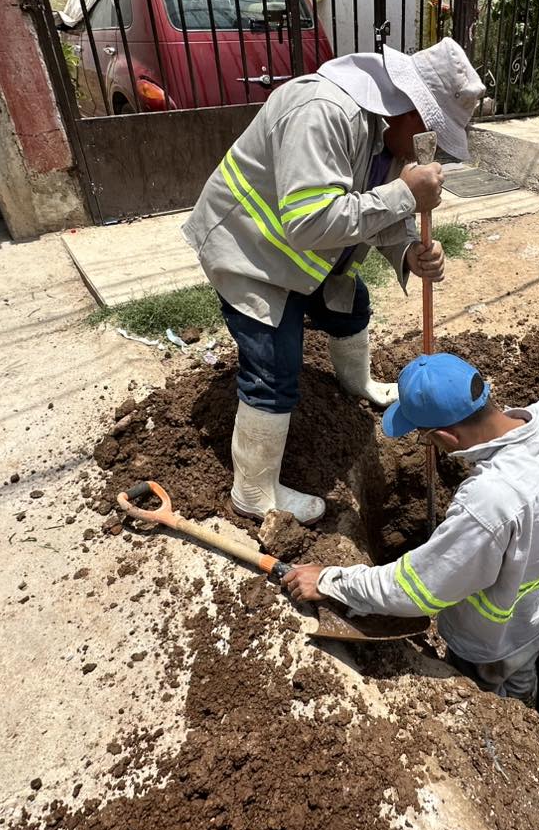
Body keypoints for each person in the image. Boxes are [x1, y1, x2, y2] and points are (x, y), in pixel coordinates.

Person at [183, 39, 485, 526]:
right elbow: (308, 222)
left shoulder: (383, 130)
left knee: (351, 305)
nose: (429, 151)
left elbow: (375, 209)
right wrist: (405, 195)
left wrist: (407, 249)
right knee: (273, 367)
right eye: (431, 133)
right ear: (407, 108)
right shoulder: (323, 112)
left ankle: (357, 381)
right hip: (249, 252)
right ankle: (253, 493)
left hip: (307, 259)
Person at [282, 352, 539, 706]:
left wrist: (328, 580)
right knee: (522, 669)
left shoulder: (490, 501)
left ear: (446, 435)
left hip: (491, 639)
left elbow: (413, 591)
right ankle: (526, 704)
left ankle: (511, 724)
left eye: (427, 438)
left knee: (489, 690)